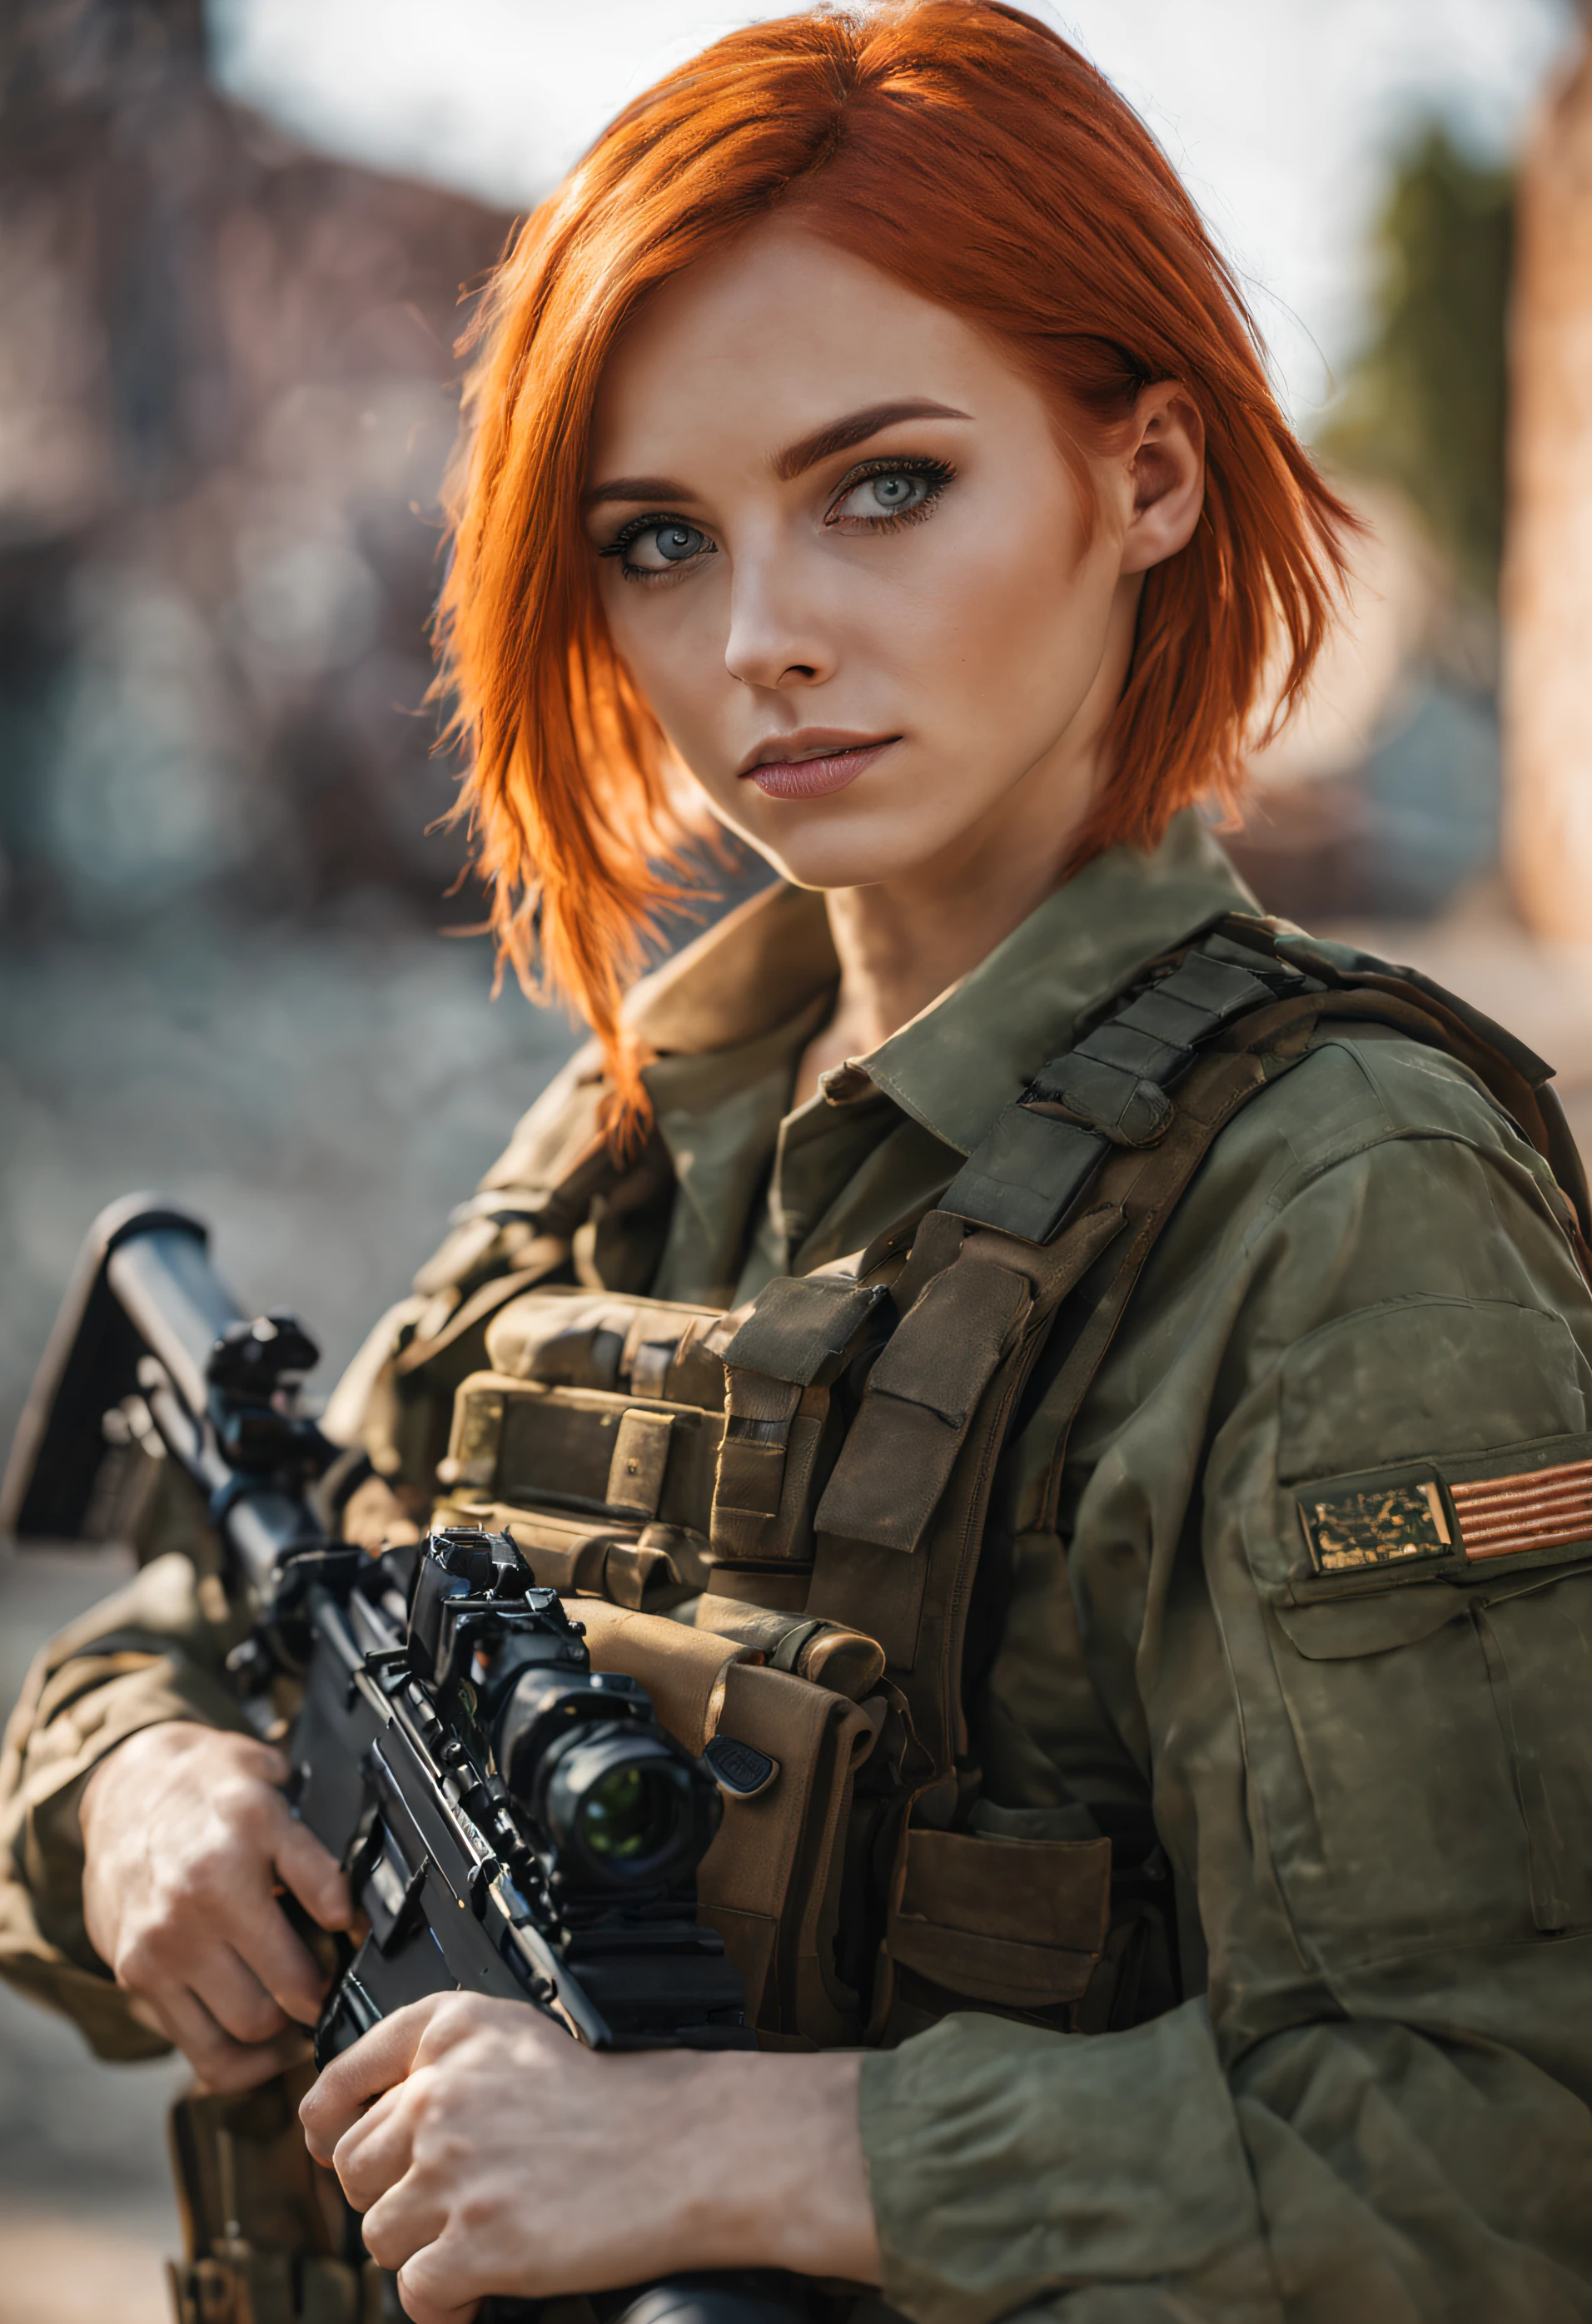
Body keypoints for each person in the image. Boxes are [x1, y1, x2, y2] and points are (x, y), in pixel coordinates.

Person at [4, 5, 1592, 2320]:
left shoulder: (1343, 1198)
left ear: (1145, 476)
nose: (762, 643)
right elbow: (221, 1619)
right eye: (661, 540)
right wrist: (138, 1798)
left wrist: (756, 2152)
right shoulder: (655, 1125)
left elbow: (1497, 2145)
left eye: (885, 485)